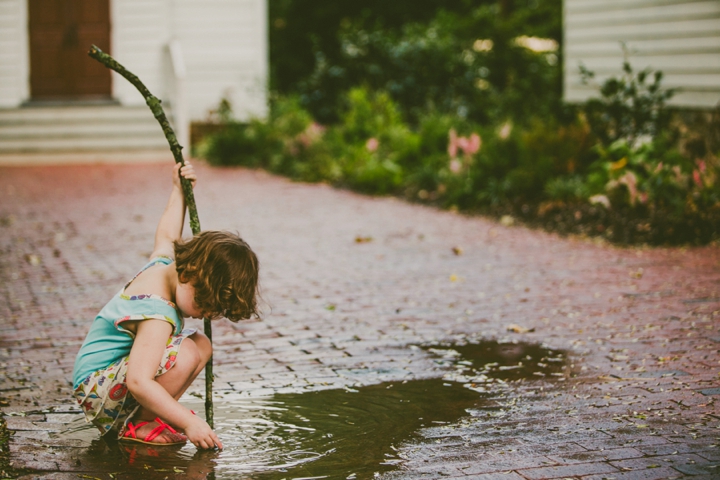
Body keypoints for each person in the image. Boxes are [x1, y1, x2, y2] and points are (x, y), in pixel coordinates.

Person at [72, 162, 259, 449]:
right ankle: (137, 424)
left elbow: (168, 235)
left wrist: (178, 191)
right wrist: (188, 421)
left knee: (202, 344)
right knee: (184, 353)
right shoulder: (156, 313)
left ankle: (150, 415)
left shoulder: (166, 265)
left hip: (108, 382)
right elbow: (138, 382)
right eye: (204, 304)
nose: (206, 314)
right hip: (97, 391)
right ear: (187, 275)